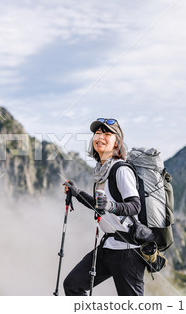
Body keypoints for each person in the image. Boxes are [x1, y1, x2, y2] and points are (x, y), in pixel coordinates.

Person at [62, 118, 146, 296]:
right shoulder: (102, 172)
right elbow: (99, 207)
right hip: (108, 247)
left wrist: (111, 206)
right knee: (72, 285)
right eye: (98, 133)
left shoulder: (121, 170)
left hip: (127, 252)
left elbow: (135, 206)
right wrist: (77, 193)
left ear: (117, 143)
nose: (100, 136)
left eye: (107, 134)